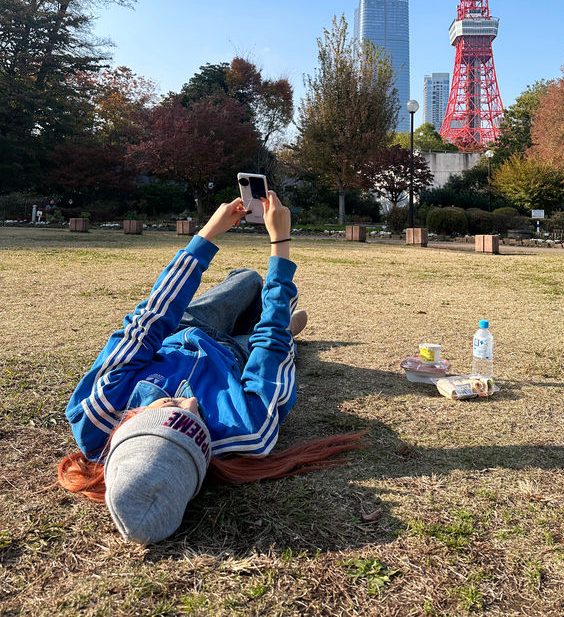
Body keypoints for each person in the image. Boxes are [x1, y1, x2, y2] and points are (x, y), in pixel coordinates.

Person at [58, 191, 363, 544]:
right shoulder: (247, 431)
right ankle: (274, 326)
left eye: (171, 409)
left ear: (132, 419)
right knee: (274, 334)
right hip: (236, 355)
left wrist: (207, 235)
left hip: (183, 328)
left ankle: (266, 317)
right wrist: (280, 240)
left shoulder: (97, 410)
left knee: (248, 279)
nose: (190, 404)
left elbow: (149, 320)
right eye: (199, 426)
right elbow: (271, 348)